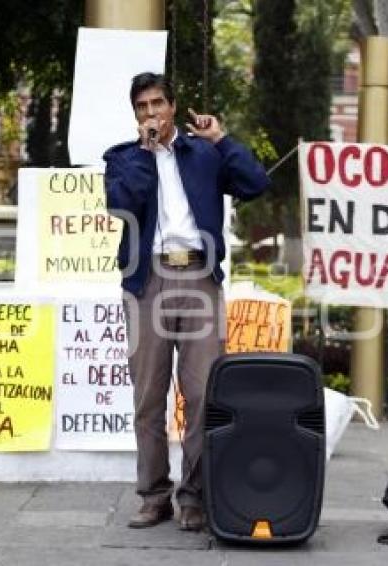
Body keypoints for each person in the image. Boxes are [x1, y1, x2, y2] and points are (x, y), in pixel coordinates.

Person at [103, 72, 269, 531]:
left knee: (201, 394)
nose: (151, 113)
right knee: (148, 397)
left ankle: (193, 495)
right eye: (142, 107)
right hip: (146, 282)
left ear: (173, 106)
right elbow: (123, 205)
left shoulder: (205, 152)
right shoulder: (121, 159)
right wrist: (145, 153)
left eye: (158, 103)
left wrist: (223, 138)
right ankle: (154, 495)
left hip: (199, 277)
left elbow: (255, 184)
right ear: (135, 114)